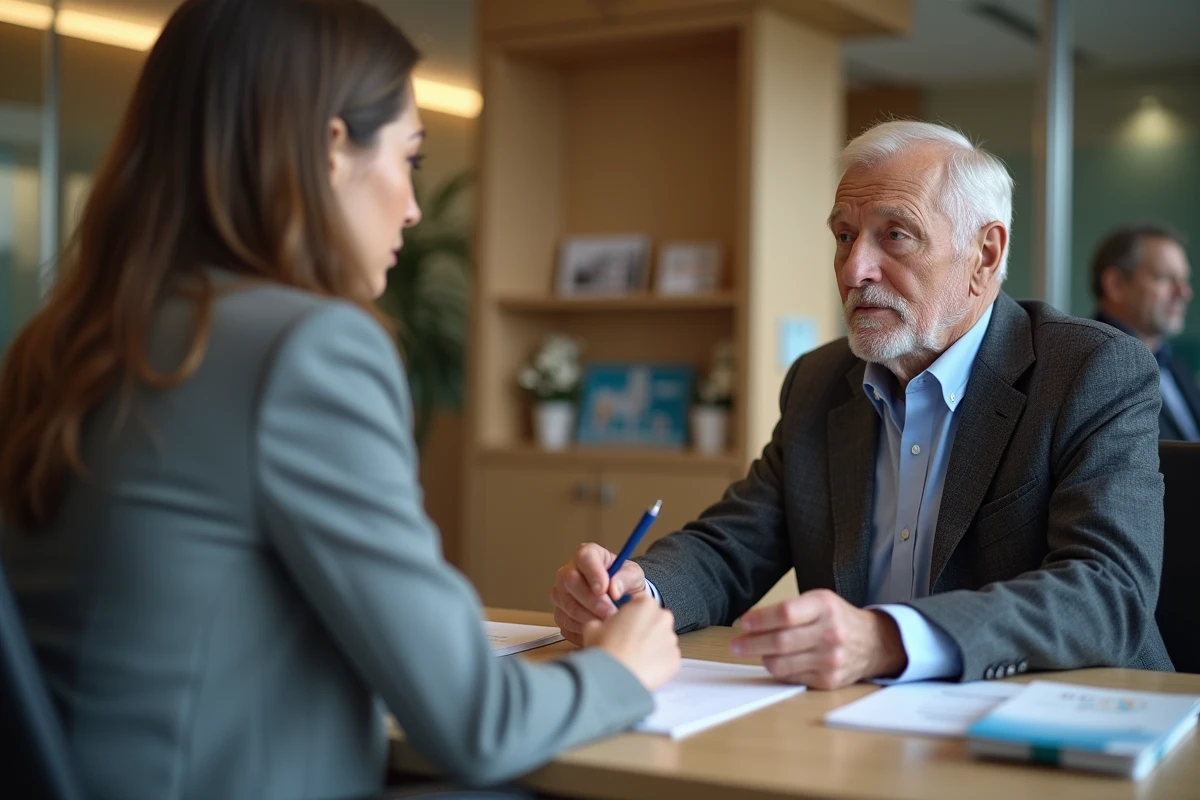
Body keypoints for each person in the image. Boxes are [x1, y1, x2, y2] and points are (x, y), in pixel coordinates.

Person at [0, 1, 681, 798]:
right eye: (409, 157)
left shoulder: (57, 344)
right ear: (331, 149)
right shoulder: (305, 347)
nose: (414, 205)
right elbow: (476, 721)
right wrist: (619, 669)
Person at [552, 120, 1173, 690]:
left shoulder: (1089, 369)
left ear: (985, 255)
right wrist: (641, 588)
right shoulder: (820, 381)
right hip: (861, 725)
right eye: (844, 237)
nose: (853, 270)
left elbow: (1107, 590)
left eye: (894, 235)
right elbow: (732, 546)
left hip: (1067, 720)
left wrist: (887, 638)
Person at [1091, 225, 1200, 441]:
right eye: (1166, 278)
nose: (1184, 293)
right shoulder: (1091, 369)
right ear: (1116, 285)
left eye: (1184, 280)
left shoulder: (1173, 364)